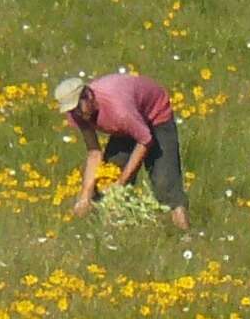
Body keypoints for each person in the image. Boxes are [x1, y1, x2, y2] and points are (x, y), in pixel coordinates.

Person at [54, 72, 189, 229]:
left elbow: (145, 141)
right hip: (126, 127)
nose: (77, 114)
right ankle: (118, 230)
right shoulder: (77, 115)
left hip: (155, 117)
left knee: (164, 183)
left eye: (78, 108)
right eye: (71, 110)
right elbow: (94, 152)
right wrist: (85, 196)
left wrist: (122, 181)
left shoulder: (119, 110)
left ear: (88, 95)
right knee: (108, 178)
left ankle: (185, 233)